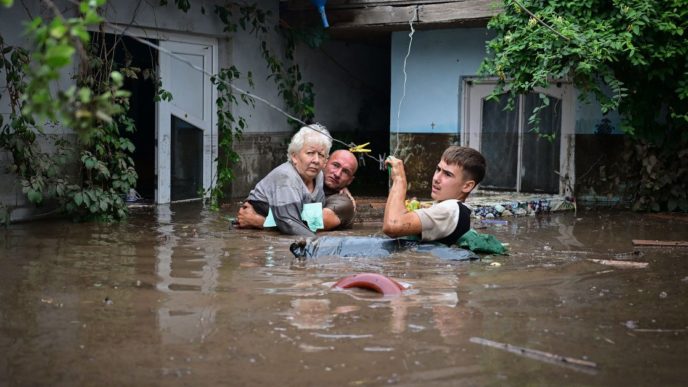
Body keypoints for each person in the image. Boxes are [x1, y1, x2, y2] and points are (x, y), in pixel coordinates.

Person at [239, 124, 332, 236]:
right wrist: (321, 245)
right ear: (294, 156)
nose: (316, 160)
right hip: (253, 233)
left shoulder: (319, 176)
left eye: (321, 155)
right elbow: (290, 224)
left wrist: (261, 222)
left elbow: (310, 222)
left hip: (272, 225)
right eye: (310, 153)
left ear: (326, 160)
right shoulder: (287, 176)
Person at [382, 145, 486, 246]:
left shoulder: (450, 208)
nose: (436, 178)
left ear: (467, 186)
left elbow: (392, 226)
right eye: (438, 169)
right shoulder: (457, 210)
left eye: (447, 174)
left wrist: (399, 179)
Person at [236, 149, 359, 231]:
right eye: (335, 165)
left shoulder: (343, 203)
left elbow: (309, 225)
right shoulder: (305, 181)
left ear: (350, 180)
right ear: (324, 163)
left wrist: (258, 221)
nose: (337, 174)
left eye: (345, 172)